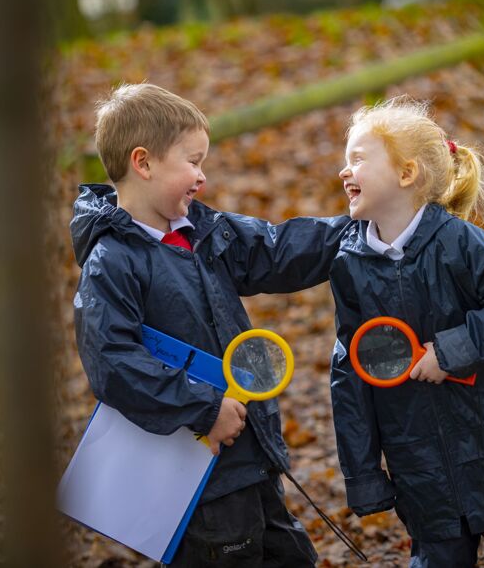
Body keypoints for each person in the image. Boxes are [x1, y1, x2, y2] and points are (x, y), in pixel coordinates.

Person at [71, 82, 349, 567]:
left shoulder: (203, 232)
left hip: (252, 456)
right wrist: (204, 408)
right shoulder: (112, 261)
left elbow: (277, 249)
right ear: (144, 163)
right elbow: (113, 363)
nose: (202, 175)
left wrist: (364, 226)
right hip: (196, 478)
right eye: (193, 161)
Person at [328, 96, 484, 567]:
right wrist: (363, 474)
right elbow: (352, 368)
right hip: (421, 464)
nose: (344, 170)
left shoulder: (459, 243)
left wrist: (450, 351)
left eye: (357, 159)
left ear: (407, 174)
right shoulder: (350, 265)